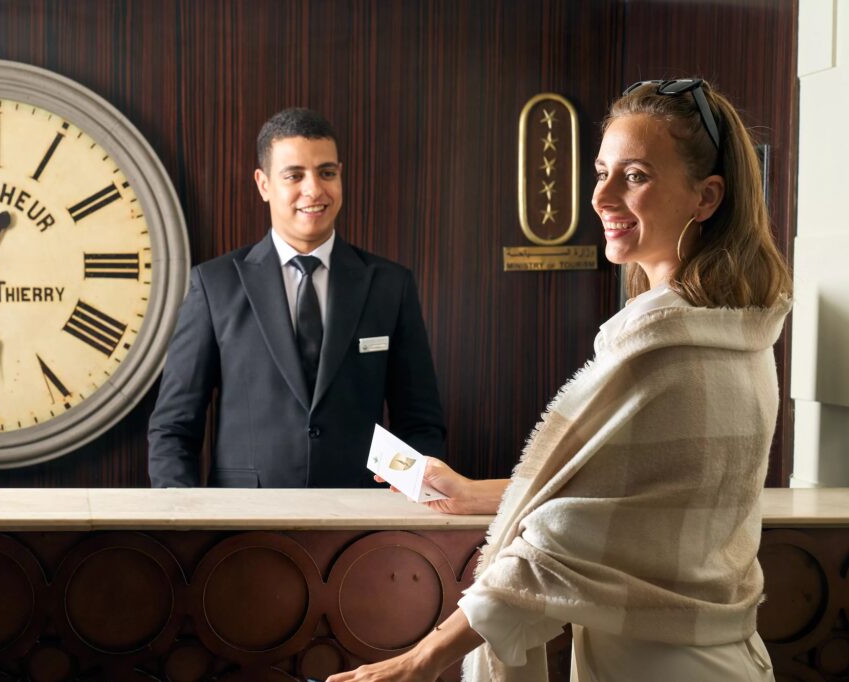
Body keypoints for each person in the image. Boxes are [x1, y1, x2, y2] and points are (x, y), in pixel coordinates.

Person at [328, 79, 791, 681]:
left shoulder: (663, 354)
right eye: (601, 170)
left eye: (636, 175)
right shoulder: (739, 334)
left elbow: (555, 547)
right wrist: (474, 492)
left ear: (705, 197)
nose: (600, 195)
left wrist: (417, 662)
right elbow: (626, 500)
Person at [148, 108, 446, 488]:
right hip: (242, 523)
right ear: (264, 184)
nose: (314, 190)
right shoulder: (214, 285)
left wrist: (404, 498)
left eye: (327, 173)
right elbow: (173, 427)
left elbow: (419, 422)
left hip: (363, 521)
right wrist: (186, 521)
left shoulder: (390, 285)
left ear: (341, 175)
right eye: (294, 175)